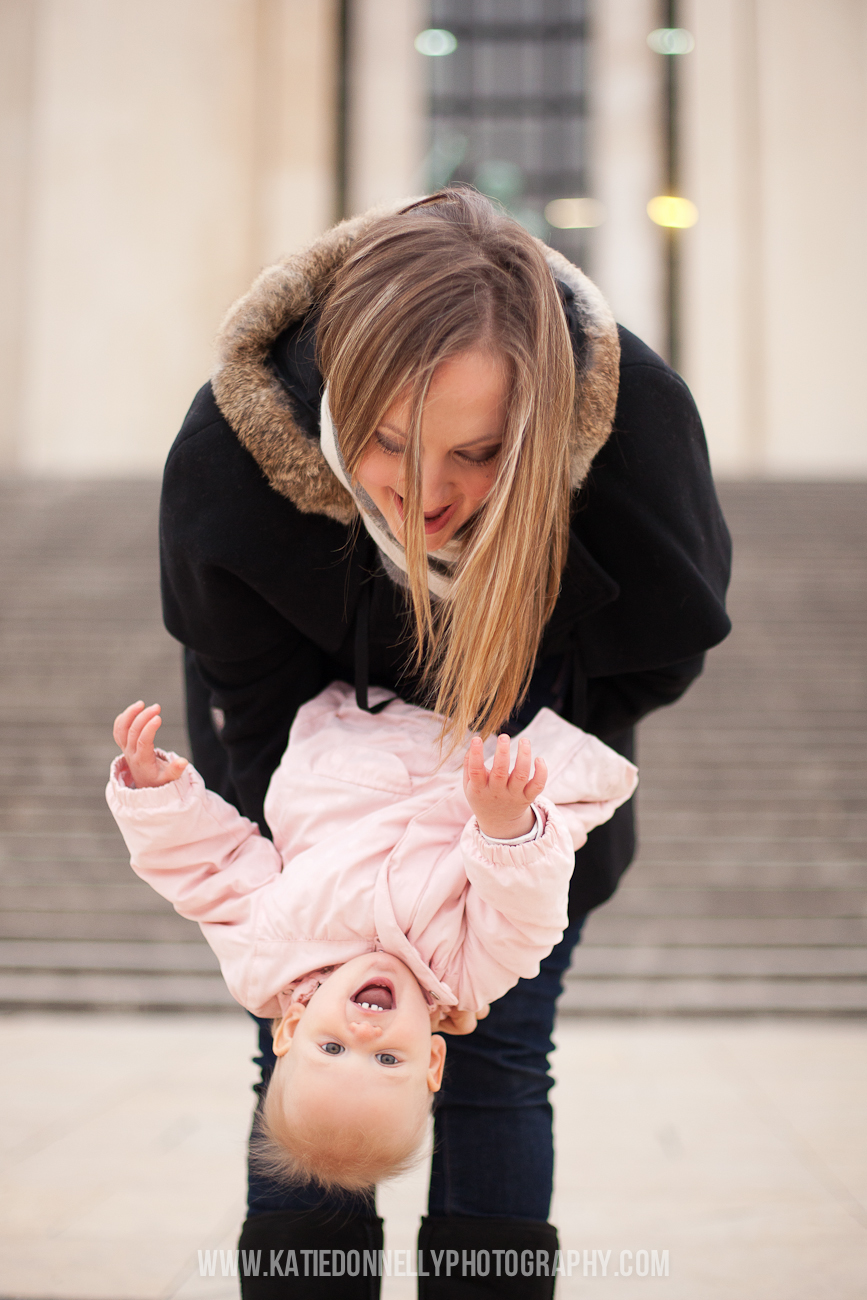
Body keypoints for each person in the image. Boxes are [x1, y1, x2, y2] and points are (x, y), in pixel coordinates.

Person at [159, 188, 731, 1298]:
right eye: (388, 442)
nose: (428, 493)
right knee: (310, 1065)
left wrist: (517, 816)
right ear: (335, 400)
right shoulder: (235, 455)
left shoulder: (633, 428)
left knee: (497, 1063)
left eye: (477, 451)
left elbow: (666, 643)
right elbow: (249, 698)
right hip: (309, 802)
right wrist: (315, 904)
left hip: (506, 818)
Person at [105, 686, 637, 1193]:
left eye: (332, 1047)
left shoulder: (266, 956)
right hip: (476, 754)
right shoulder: (465, 977)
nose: (364, 1030)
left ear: (291, 1026)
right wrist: (506, 826)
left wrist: (157, 797)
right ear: (432, 1060)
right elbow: (525, 917)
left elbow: (212, 872)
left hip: (353, 736)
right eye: (387, 1060)